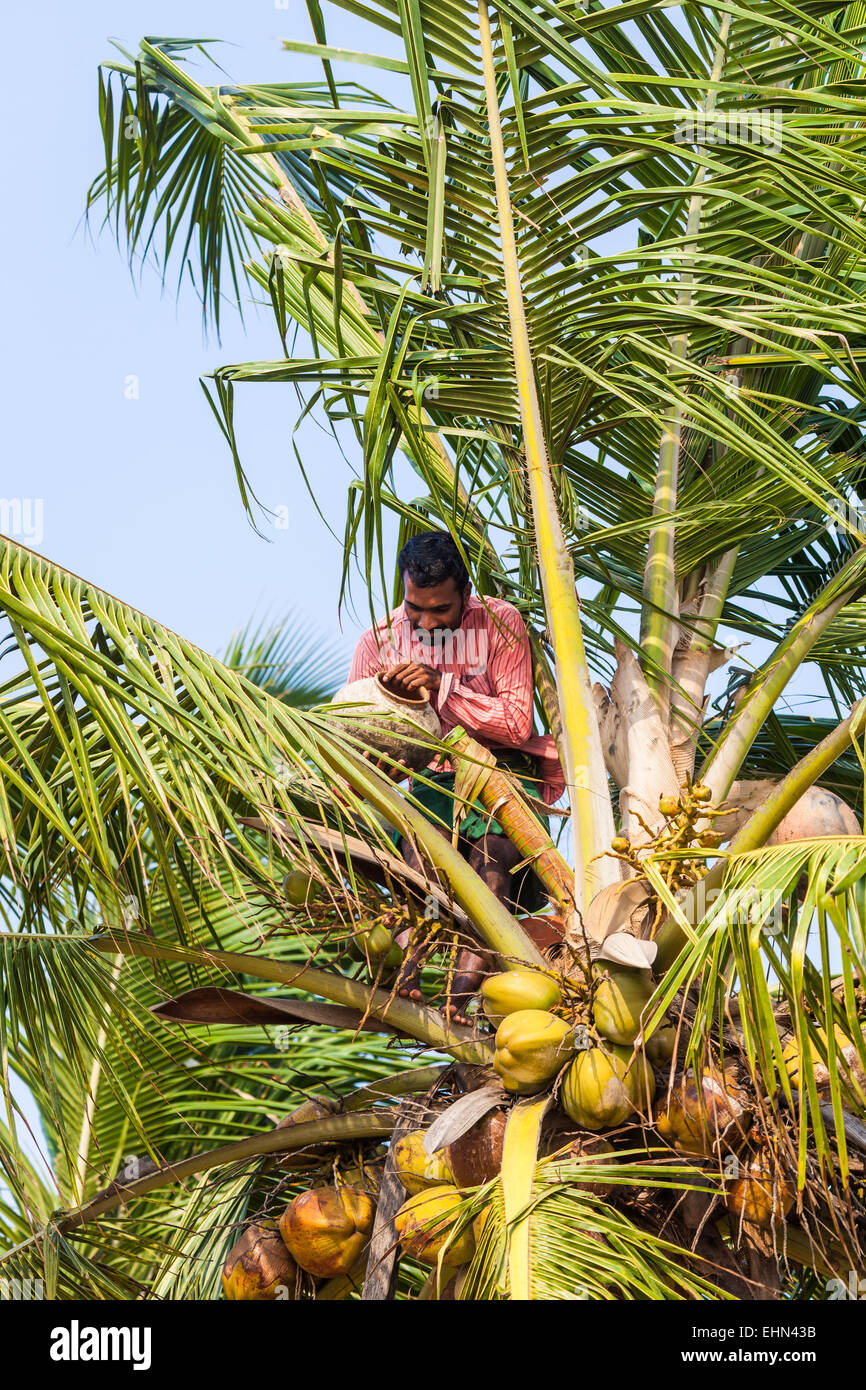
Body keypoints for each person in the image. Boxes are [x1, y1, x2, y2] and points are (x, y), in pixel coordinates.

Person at [347, 531, 564, 1021]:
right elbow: (356, 740)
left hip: (503, 771)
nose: (424, 622)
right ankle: (407, 979)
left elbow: (515, 723)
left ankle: (460, 996)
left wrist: (441, 687)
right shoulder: (378, 642)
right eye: (414, 608)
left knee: (495, 859)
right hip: (429, 781)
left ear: (465, 594)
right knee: (420, 865)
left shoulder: (501, 622)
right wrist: (384, 711)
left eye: (439, 610)